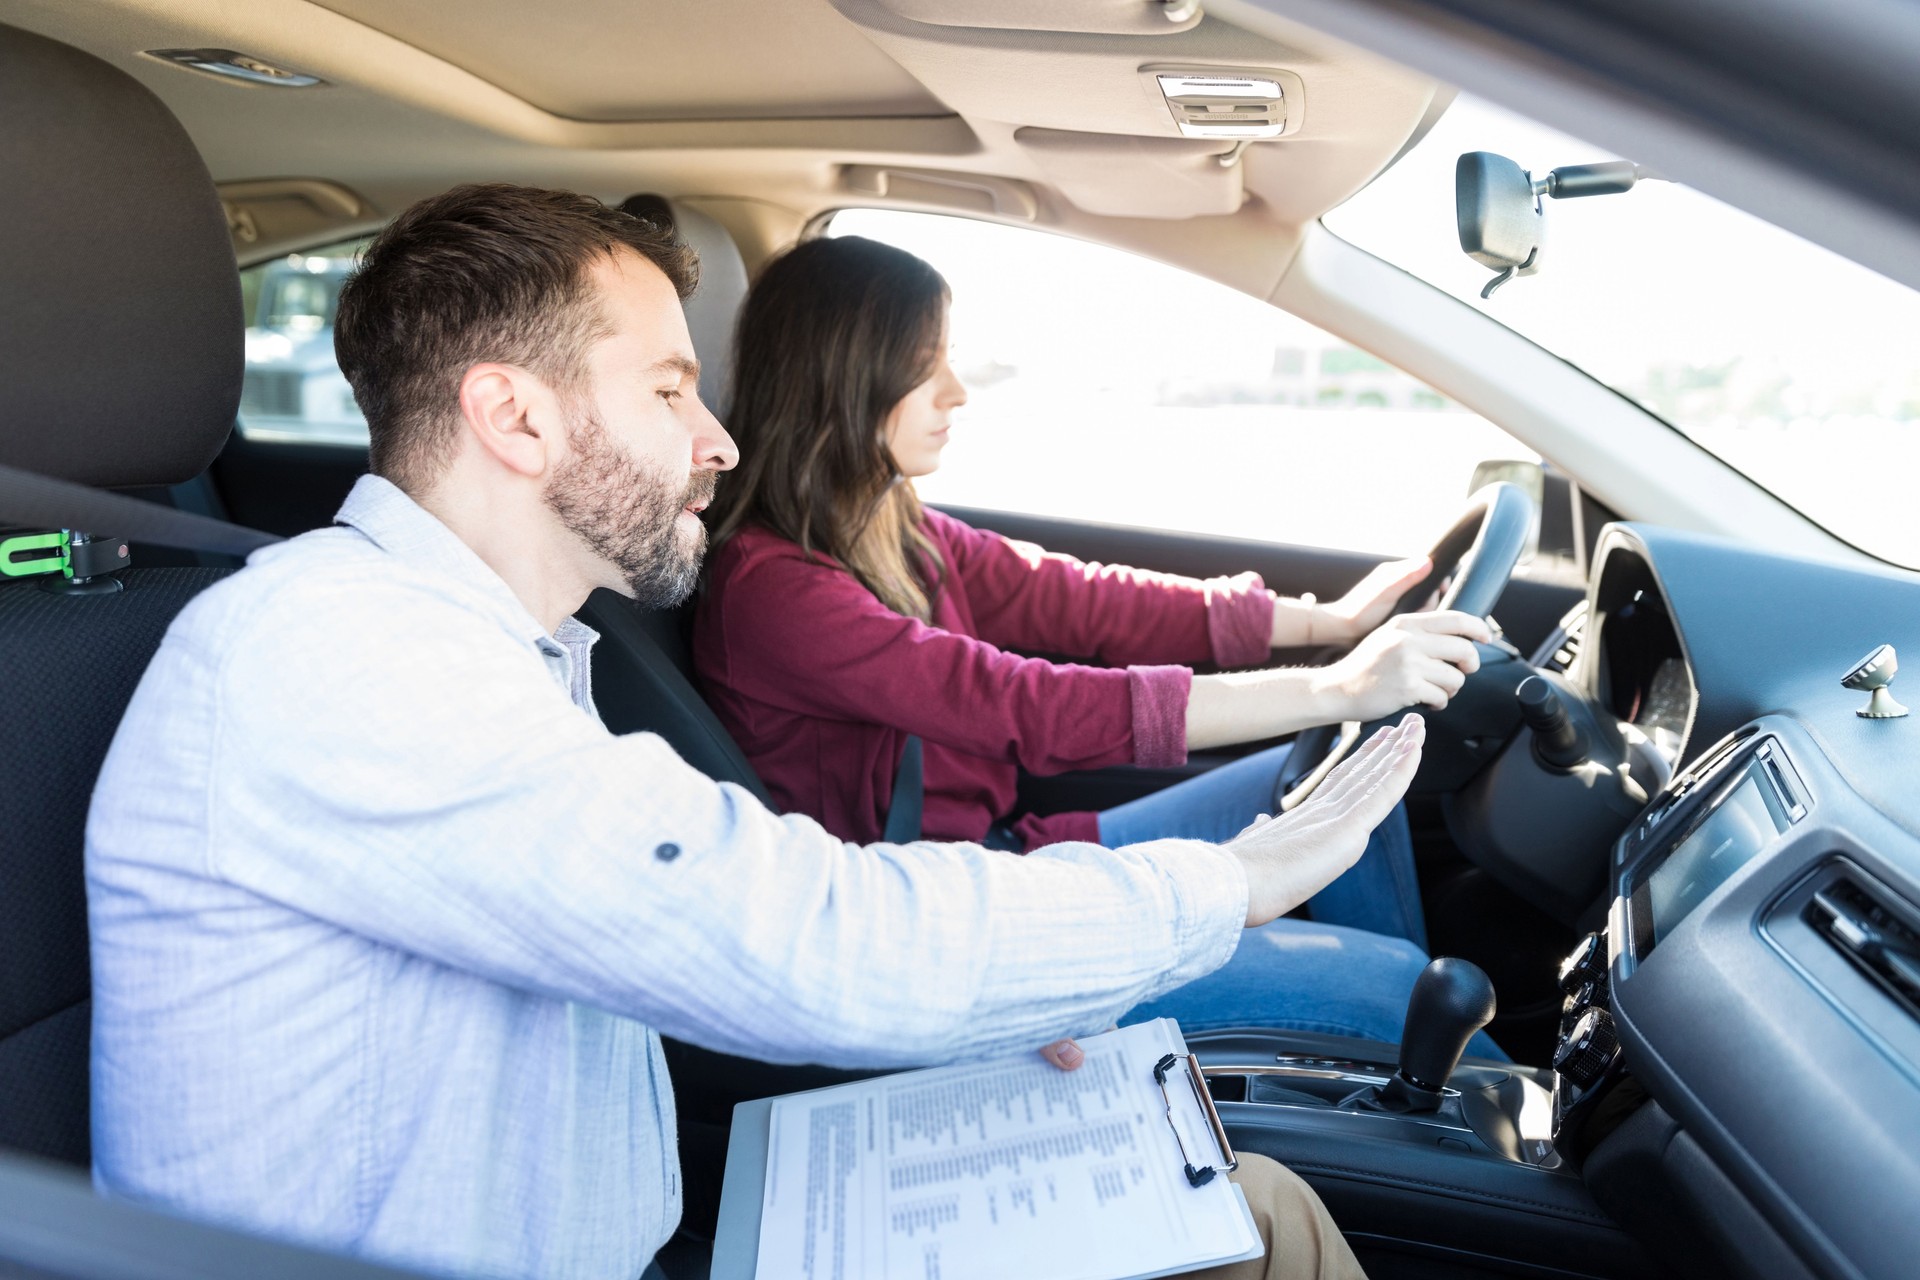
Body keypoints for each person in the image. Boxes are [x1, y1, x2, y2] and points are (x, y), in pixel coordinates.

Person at [85, 183, 1410, 1280]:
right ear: (515, 417)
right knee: (1259, 1226)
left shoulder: (511, 658)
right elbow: (790, 930)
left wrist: (990, 1017)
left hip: (676, 1236)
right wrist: (1228, 882)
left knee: (1247, 1209)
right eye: (669, 393)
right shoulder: (341, 656)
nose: (718, 442)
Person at [694, 234, 1499, 1046]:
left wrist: (1332, 623)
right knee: (1394, 988)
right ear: (841, 374)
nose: (957, 391)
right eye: (924, 363)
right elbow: (1024, 705)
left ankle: (1400, 1096)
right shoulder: (774, 591)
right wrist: (1338, 686)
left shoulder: (888, 523)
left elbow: (1086, 601)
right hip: (948, 930)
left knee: (1355, 784)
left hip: (1007, 863)